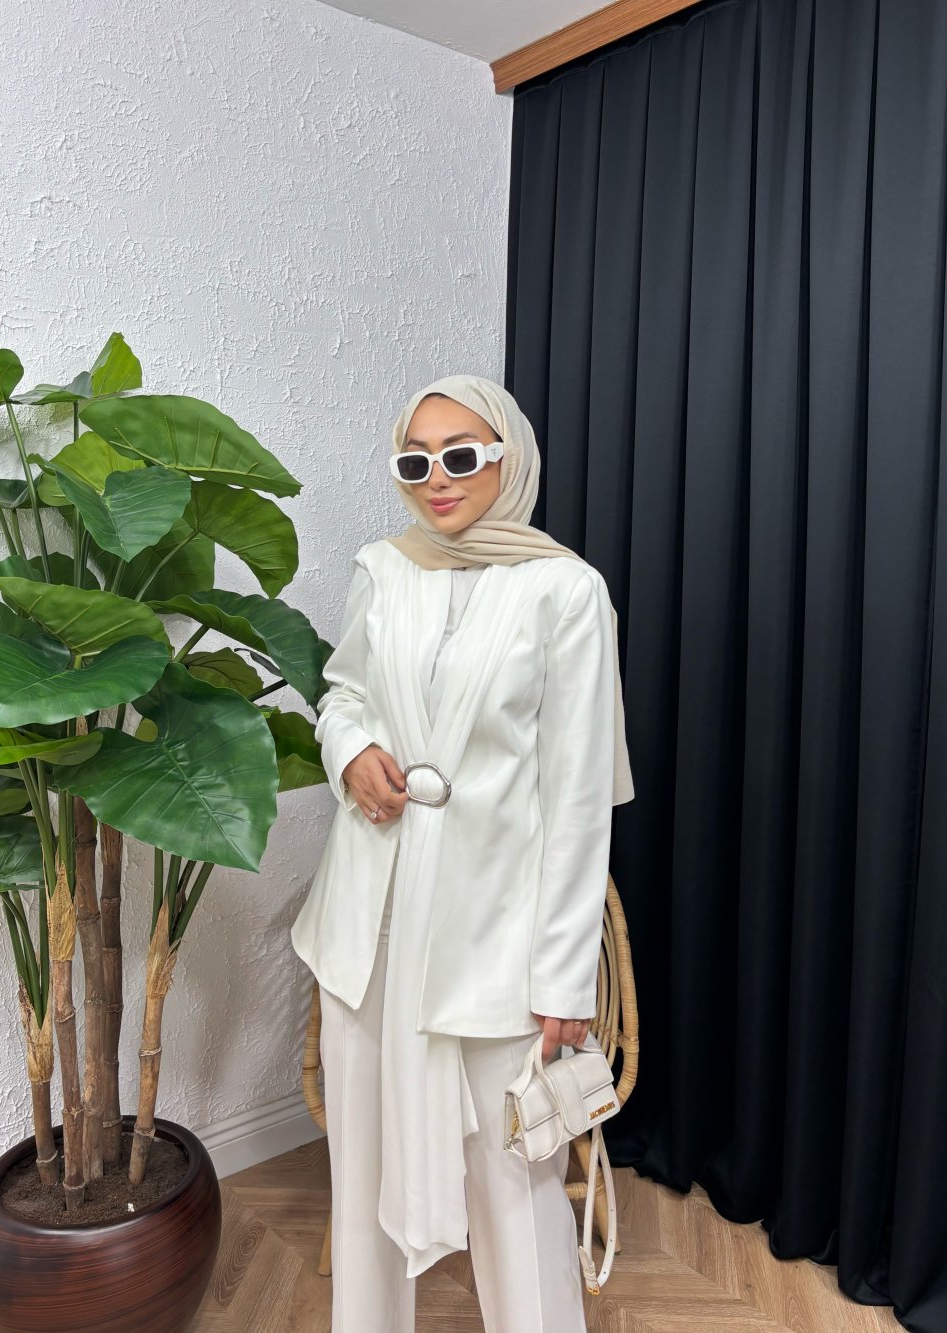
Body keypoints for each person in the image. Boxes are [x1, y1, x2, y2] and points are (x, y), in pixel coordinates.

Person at [290, 374, 635, 1333]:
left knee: (515, 1176)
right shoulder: (384, 567)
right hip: (371, 918)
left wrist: (563, 975)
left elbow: (577, 801)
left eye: (460, 454)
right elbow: (344, 692)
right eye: (415, 461)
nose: (436, 478)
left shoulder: (567, 591)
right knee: (360, 1167)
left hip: (497, 932)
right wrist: (349, 749)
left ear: (507, 457)